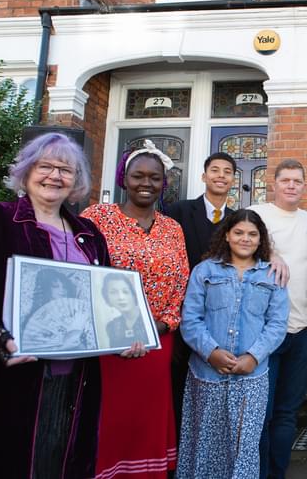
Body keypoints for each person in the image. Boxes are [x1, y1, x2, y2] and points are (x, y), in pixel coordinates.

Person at [0, 132, 110, 478]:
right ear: (26, 170)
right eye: (45, 166)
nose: (54, 176)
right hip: (11, 375)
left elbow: (103, 300)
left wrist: (122, 332)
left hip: (77, 378)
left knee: (61, 459)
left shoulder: (89, 233)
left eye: (65, 169)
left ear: (76, 180)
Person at [82, 140, 189, 479]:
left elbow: (182, 280)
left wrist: (164, 323)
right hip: (107, 340)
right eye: (138, 176)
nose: (146, 183)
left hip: (156, 339)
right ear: (123, 179)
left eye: (154, 178)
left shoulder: (173, 229)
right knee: (110, 414)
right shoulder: (97, 217)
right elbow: (79, 272)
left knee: (146, 415)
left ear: (163, 183)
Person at [177, 209, 289, 478]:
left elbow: (276, 324)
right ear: (226, 235)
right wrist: (211, 352)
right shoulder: (205, 271)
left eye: (252, 234)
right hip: (207, 375)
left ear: (261, 240)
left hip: (252, 377)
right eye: (238, 232)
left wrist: (253, 356)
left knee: (244, 447)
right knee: (204, 444)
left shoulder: (272, 275)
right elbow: (190, 319)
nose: (245, 239)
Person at [249, 159, 307, 479]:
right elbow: (238, 247)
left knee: (287, 412)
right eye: (286, 180)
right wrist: (269, 252)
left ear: (304, 186)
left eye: (297, 181)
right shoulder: (257, 214)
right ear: (273, 184)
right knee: (260, 412)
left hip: (303, 328)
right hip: (264, 330)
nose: (292, 186)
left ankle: (277, 472)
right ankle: (258, 472)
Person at [165, 151, 236, 435]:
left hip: (221, 317)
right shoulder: (178, 212)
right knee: (178, 386)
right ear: (204, 176)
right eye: (215, 170)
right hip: (183, 314)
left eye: (227, 171)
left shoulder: (237, 221)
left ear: (233, 179)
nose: (221, 175)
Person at [21, 268, 96, 352]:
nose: (62, 290)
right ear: (46, 289)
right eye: (55, 286)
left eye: (64, 287)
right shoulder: (36, 320)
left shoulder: (75, 312)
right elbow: (33, 348)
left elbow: (85, 347)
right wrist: (63, 346)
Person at [101, 272, 149, 348]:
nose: (121, 297)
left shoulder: (149, 321)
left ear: (134, 294)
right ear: (107, 298)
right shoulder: (111, 327)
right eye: (113, 292)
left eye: (125, 291)